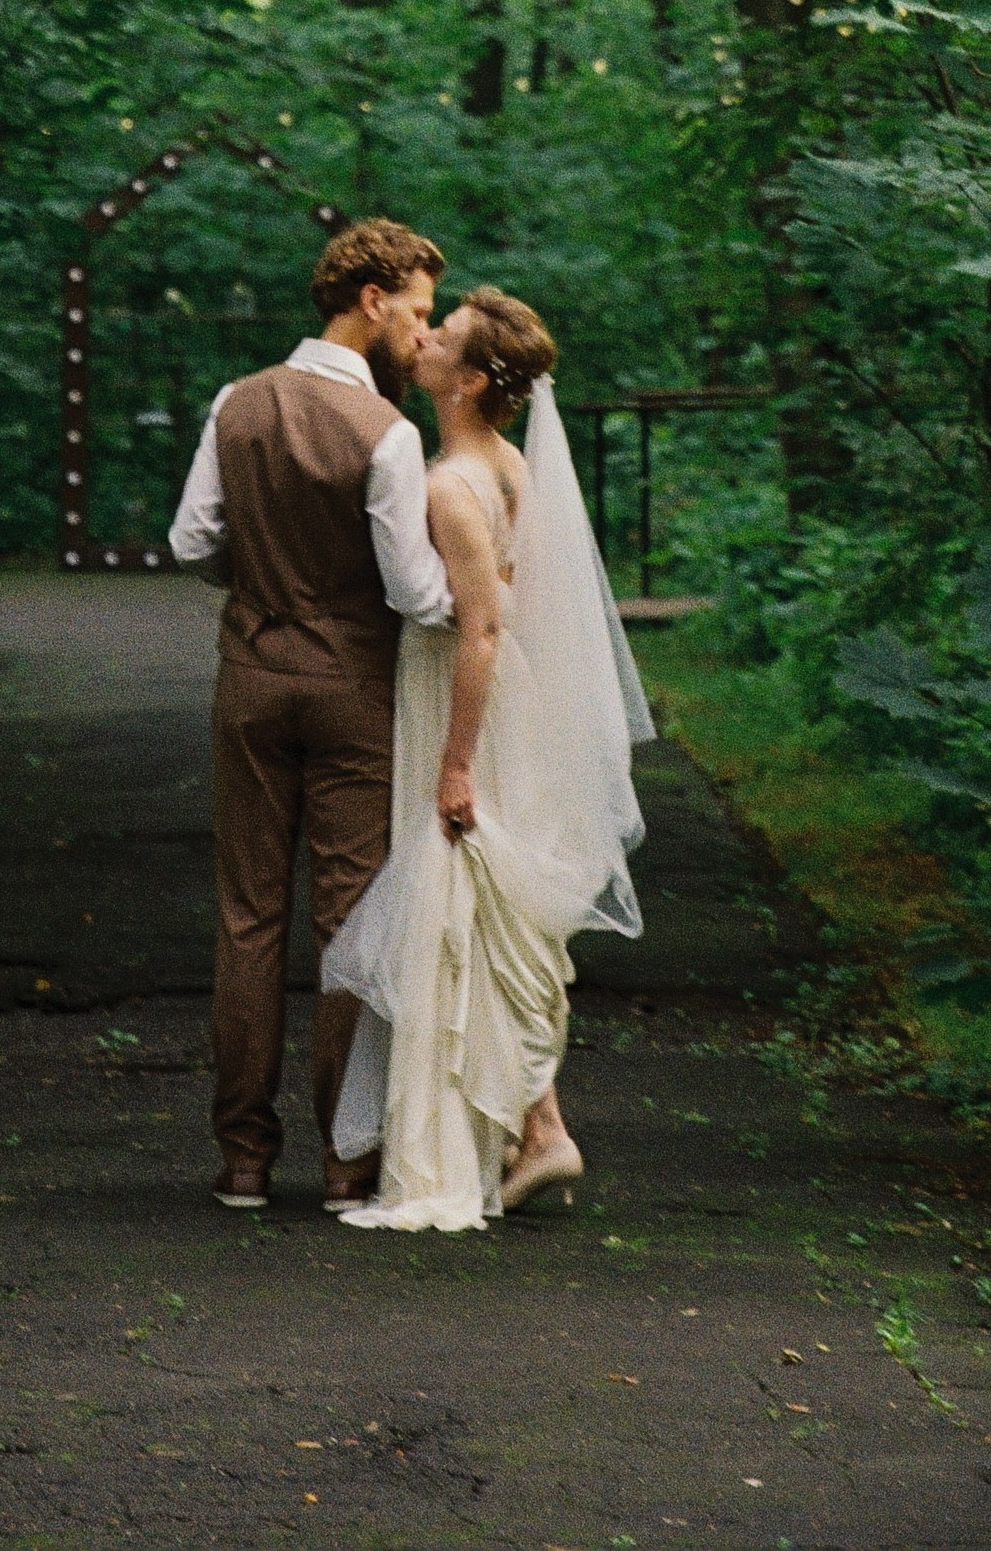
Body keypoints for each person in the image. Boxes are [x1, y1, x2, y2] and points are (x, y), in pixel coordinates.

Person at [322, 287, 654, 1232]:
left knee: (458, 905)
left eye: (442, 336)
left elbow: (477, 629)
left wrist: (455, 764)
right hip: (510, 699)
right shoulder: (507, 462)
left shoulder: (448, 485)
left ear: (467, 380)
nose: (418, 337)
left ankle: (509, 1134)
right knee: (486, 908)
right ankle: (533, 1123)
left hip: (466, 703)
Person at [165, 215, 454, 1212]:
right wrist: (491, 598)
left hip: (249, 678)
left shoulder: (234, 403)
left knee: (248, 916)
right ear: (369, 300)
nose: (424, 334)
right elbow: (415, 593)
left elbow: (192, 539)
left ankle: (243, 1158)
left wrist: (258, 588)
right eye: (417, 311)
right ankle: (345, 1158)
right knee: (348, 921)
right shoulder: (390, 433)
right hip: (352, 692)